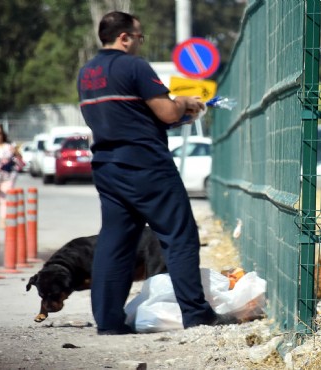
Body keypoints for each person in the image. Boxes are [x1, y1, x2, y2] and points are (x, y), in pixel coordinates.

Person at [77, 11, 236, 335]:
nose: (140, 41)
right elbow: (164, 110)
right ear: (124, 37)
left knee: (115, 242)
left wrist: (176, 115)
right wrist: (184, 103)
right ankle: (196, 314)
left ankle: (108, 322)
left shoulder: (87, 72)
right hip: (146, 165)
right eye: (139, 36)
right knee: (180, 236)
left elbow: (127, 114)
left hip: (107, 166)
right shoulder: (134, 66)